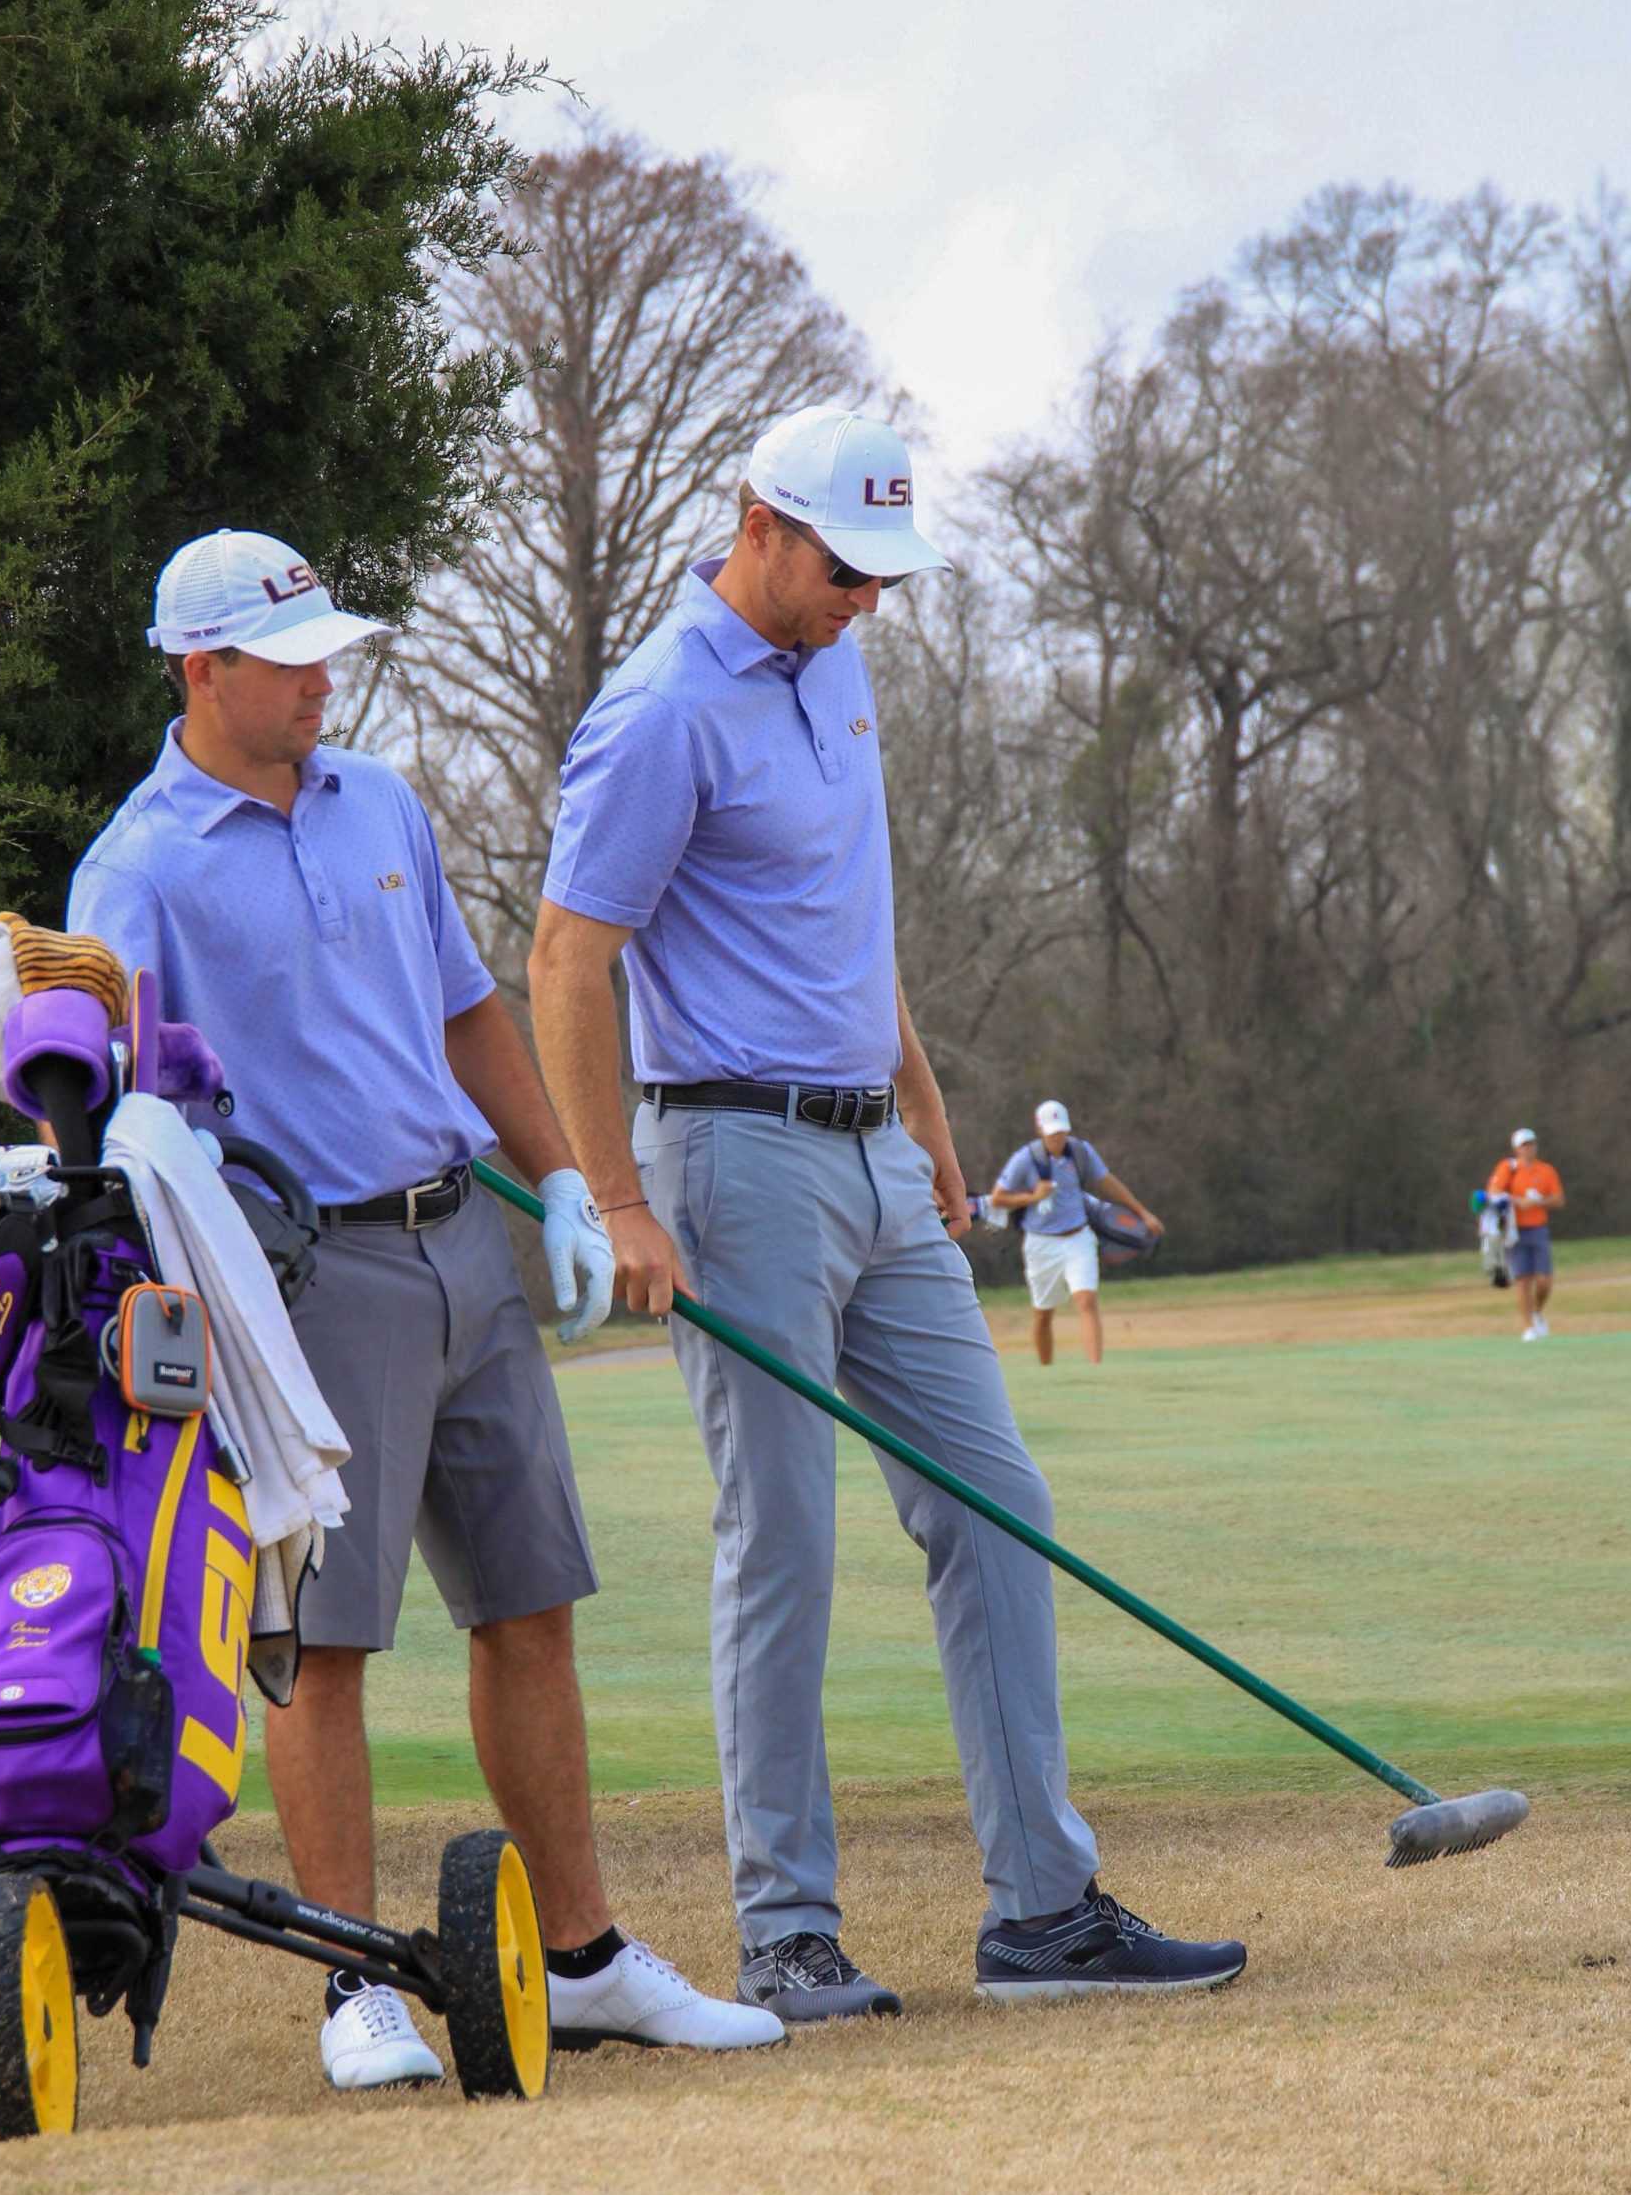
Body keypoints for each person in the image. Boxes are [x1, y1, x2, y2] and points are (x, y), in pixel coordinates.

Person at [529, 408, 1245, 2015]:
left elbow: (841, 922)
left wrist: (920, 1108)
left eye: (885, 578)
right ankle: (785, 1931)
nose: (867, 601)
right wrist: (616, 1199)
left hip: (872, 1153)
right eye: (846, 570)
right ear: (757, 523)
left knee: (994, 1506)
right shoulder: (656, 712)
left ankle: (1041, 1916)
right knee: (779, 1541)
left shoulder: (835, 665)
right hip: (728, 1162)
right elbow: (567, 958)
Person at [68, 527, 784, 2089]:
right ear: (204, 671)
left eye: (330, 650)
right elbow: (110, 1107)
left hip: (466, 1247)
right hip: (307, 1278)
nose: (325, 677)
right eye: (293, 657)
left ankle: (582, 1957)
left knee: (530, 1605)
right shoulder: (134, 868)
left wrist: (576, 1188)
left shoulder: (378, 798)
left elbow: (467, 1010)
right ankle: (355, 1987)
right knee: (322, 1641)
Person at [989, 1099, 1163, 1366]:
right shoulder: (1025, 1159)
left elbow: (1109, 1184)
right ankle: (1047, 1370)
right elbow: (998, 1198)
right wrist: (1033, 1197)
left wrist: (1142, 1213)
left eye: (1061, 1131)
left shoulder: (1081, 1153)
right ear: (1040, 1130)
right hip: (1041, 1243)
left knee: (1086, 1300)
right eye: (1052, 1133)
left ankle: (1095, 1369)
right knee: (1043, 1313)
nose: (1057, 1137)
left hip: (1078, 1238)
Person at [1486, 1125, 1565, 1341]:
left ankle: (1537, 1312)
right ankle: (1528, 1327)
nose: (1528, 1149)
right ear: (1517, 1149)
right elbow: (1493, 1192)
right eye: (1524, 1145)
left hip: (1538, 1228)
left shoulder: (1546, 1170)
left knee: (1544, 1281)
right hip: (1514, 1230)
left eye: (1531, 1144)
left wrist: (1539, 1200)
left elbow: (1558, 1199)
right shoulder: (1507, 1168)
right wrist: (1518, 1201)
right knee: (1523, 1280)